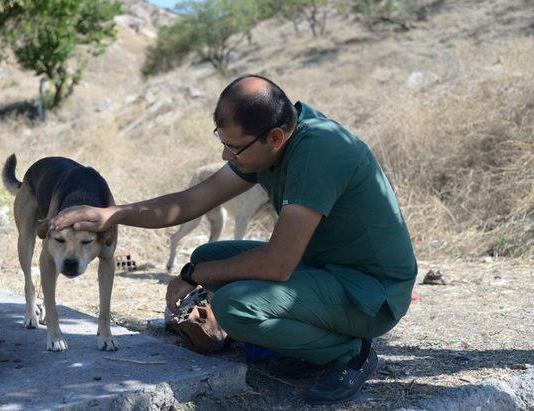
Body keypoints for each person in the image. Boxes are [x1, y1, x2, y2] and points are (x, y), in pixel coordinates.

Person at [49, 74, 417, 404]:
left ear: (274, 137)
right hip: (323, 266)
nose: (226, 155)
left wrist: (195, 274)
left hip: (371, 291)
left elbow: (277, 264)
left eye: (234, 148)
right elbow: (189, 202)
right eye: (222, 143)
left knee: (235, 307)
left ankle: (349, 350)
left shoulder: (318, 153)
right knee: (210, 252)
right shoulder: (275, 141)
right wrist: (113, 214)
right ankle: (305, 342)